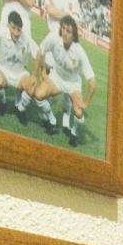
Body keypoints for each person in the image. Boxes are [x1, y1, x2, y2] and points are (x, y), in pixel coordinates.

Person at [34, 15, 96, 147]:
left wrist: (85, 103)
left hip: (73, 84)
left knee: (78, 112)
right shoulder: (53, 38)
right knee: (39, 94)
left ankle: (74, 134)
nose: (65, 34)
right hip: (56, 77)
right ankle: (52, 121)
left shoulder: (79, 51)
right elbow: (40, 52)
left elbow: (92, 82)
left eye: (69, 31)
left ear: (74, 35)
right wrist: (43, 71)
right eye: (63, 29)